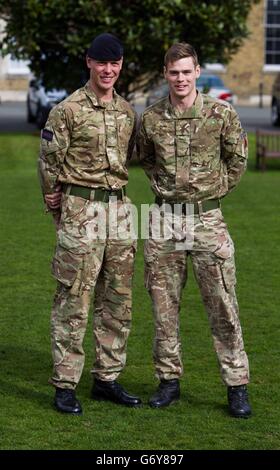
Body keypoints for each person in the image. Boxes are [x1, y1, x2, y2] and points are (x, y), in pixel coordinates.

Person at [137, 42, 251, 418]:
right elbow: (147, 161)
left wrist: (211, 195)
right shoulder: (151, 118)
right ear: (165, 74)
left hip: (207, 222)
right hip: (164, 221)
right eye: (174, 72)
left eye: (187, 71)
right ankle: (168, 381)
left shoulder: (221, 114)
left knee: (222, 304)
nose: (181, 78)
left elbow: (237, 161)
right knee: (163, 307)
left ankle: (236, 385)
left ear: (197, 71)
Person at [38, 33, 141, 415]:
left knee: (117, 301)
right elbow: (49, 162)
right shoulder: (66, 110)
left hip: (120, 213)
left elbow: (129, 158)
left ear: (120, 66)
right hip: (81, 211)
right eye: (102, 62)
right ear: (89, 63)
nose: (108, 69)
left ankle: (107, 379)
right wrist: (56, 201)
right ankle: (65, 384)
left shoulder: (127, 112)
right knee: (74, 299)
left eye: (115, 63)